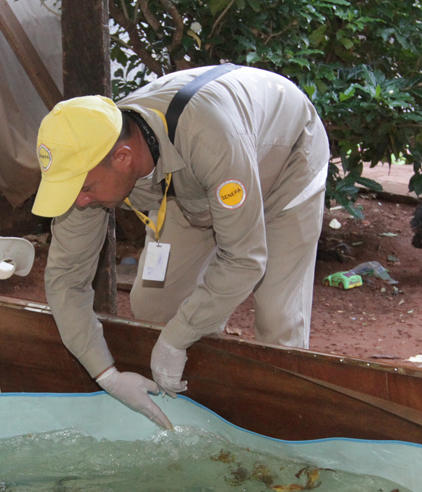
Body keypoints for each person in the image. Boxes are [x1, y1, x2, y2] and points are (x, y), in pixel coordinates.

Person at [33, 65, 330, 430]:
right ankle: (206, 415)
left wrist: (176, 339)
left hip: (284, 162)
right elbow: (65, 280)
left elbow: (243, 259)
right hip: (190, 185)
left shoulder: (209, 137)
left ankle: (284, 433)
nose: (79, 202)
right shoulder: (94, 160)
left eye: (85, 189)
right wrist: (106, 374)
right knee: (155, 304)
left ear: (123, 158)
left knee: (277, 322)